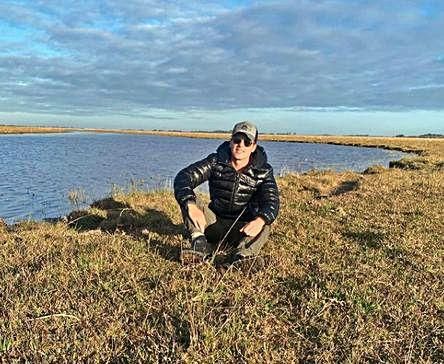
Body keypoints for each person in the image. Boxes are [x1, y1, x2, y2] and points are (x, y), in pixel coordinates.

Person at [174, 121, 279, 270]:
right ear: (230, 142)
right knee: (189, 200)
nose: (241, 145)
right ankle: (200, 247)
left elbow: (272, 201)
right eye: (237, 140)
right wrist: (190, 205)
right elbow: (184, 177)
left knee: (265, 222)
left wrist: (260, 220)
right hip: (214, 223)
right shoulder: (215, 161)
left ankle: (242, 258)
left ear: (254, 146)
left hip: (243, 229)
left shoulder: (264, 171)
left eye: (247, 142)